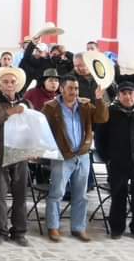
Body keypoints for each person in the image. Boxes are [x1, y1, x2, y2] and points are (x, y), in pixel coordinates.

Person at [43, 74, 109, 242]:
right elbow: (43, 130)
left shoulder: (85, 105)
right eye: (71, 88)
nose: (74, 91)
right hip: (62, 156)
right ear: (62, 89)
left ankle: (78, 228)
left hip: (83, 155)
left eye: (76, 88)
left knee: (81, 195)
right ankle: (53, 227)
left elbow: (102, 118)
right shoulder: (50, 107)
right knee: (57, 193)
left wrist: (100, 99)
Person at [95, 82, 134, 239]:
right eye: (123, 93)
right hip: (118, 163)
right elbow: (100, 139)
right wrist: (107, 159)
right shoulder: (109, 113)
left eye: (130, 93)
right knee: (118, 196)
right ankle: (117, 228)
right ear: (118, 96)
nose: (127, 96)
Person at [0, 67, 32, 247]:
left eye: (12, 82)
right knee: (0, 194)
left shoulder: (25, 102)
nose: (9, 85)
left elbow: (32, 127)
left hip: (19, 153)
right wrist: (9, 112)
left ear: (17, 84)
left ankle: (19, 232)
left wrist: (32, 150)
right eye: (6, 82)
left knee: (20, 195)